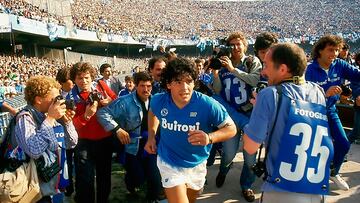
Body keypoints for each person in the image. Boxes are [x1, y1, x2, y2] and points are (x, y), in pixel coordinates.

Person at [243, 43, 334, 203]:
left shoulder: (269, 95)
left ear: (283, 69)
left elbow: (250, 147)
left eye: (266, 65)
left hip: (282, 189)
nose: (263, 72)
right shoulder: (318, 92)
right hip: (315, 187)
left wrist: (258, 110)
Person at [144, 57, 236, 203]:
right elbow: (153, 112)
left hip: (197, 164)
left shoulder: (208, 104)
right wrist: (151, 136)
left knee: (190, 199)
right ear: (168, 84)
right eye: (178, 82)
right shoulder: (158, 100)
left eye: (189, 81)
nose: (185, 88)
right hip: (169, 162)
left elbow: (231, 129)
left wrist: (209, 137)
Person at [212, 31, 262, 202]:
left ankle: (246, 185)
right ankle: (224, 170)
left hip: (250, 114)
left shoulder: (251, 61)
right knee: (228, 154)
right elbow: (218, 90)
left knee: (250, 159)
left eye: (238, 44)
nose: (234, 47)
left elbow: (255, 81)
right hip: (231, 116)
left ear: (244, 45)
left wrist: (233, 70)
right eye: (231, 44)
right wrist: (216, 73)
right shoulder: (223, 61)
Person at [97, 71, 163, 202]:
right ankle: (130, 183)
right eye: (142, 86)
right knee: (137, 177)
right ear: (136, 86)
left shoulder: (157, 100)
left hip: (152, 144)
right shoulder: (124, 102)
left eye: (148, 86)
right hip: (133, 146)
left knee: (155, 178)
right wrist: (117, 129)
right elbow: (102, 113)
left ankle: (151, 199)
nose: (146, 89)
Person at [306, 35, 360, 190]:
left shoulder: (340, 65)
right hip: (312, 112)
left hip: (330, 110)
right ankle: (309, 178)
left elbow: (357, 75)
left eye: (337, 50)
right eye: (331, 50)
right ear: (320, 51)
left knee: (343, 144)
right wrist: (324, 93)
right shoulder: (310, 69)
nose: (335, 54)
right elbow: (305, 96)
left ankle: (333, 172)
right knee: (315, 148)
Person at [14, 76, 78, 203]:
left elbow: (72, 143)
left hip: (53, 184)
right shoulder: (25, 118)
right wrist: (50, 119)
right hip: (35, 190)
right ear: (38, 100)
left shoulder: (49, 116)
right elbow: (34, 151)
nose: (59, 102)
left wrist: (66, 122)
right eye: (54, 99)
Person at [66, 62, 117, 203]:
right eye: (80, 78)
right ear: (74, 80)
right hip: (83, 143)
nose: (84, 81)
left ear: (92, 77)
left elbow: (115, 99)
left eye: (87, 77)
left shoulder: (101, 85)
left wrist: (109, 101)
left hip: (104, 140)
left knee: (104, 176)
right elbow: (70, 125)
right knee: (85, 179)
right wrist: (86, 116)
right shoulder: (69, 98)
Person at [55, 67, 75, 196]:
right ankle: (69, 187)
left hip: (80, 135)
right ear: (62, 82)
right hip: (65, 137)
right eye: (70, 80)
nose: (73, 82)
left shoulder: (78, 93)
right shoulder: (55, 97)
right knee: (67, 163)